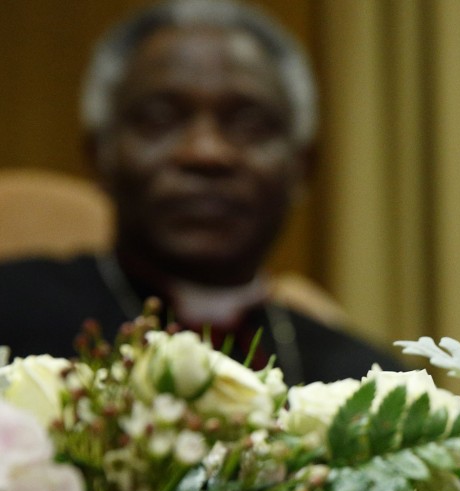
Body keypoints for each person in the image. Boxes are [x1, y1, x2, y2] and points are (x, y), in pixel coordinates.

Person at [0, 0, 400, 384]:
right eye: (160, 118)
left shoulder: (368, 384)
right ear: (98, 154)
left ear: (302, 167)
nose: (205, 153)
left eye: (246, 122)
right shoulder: (11, 314)